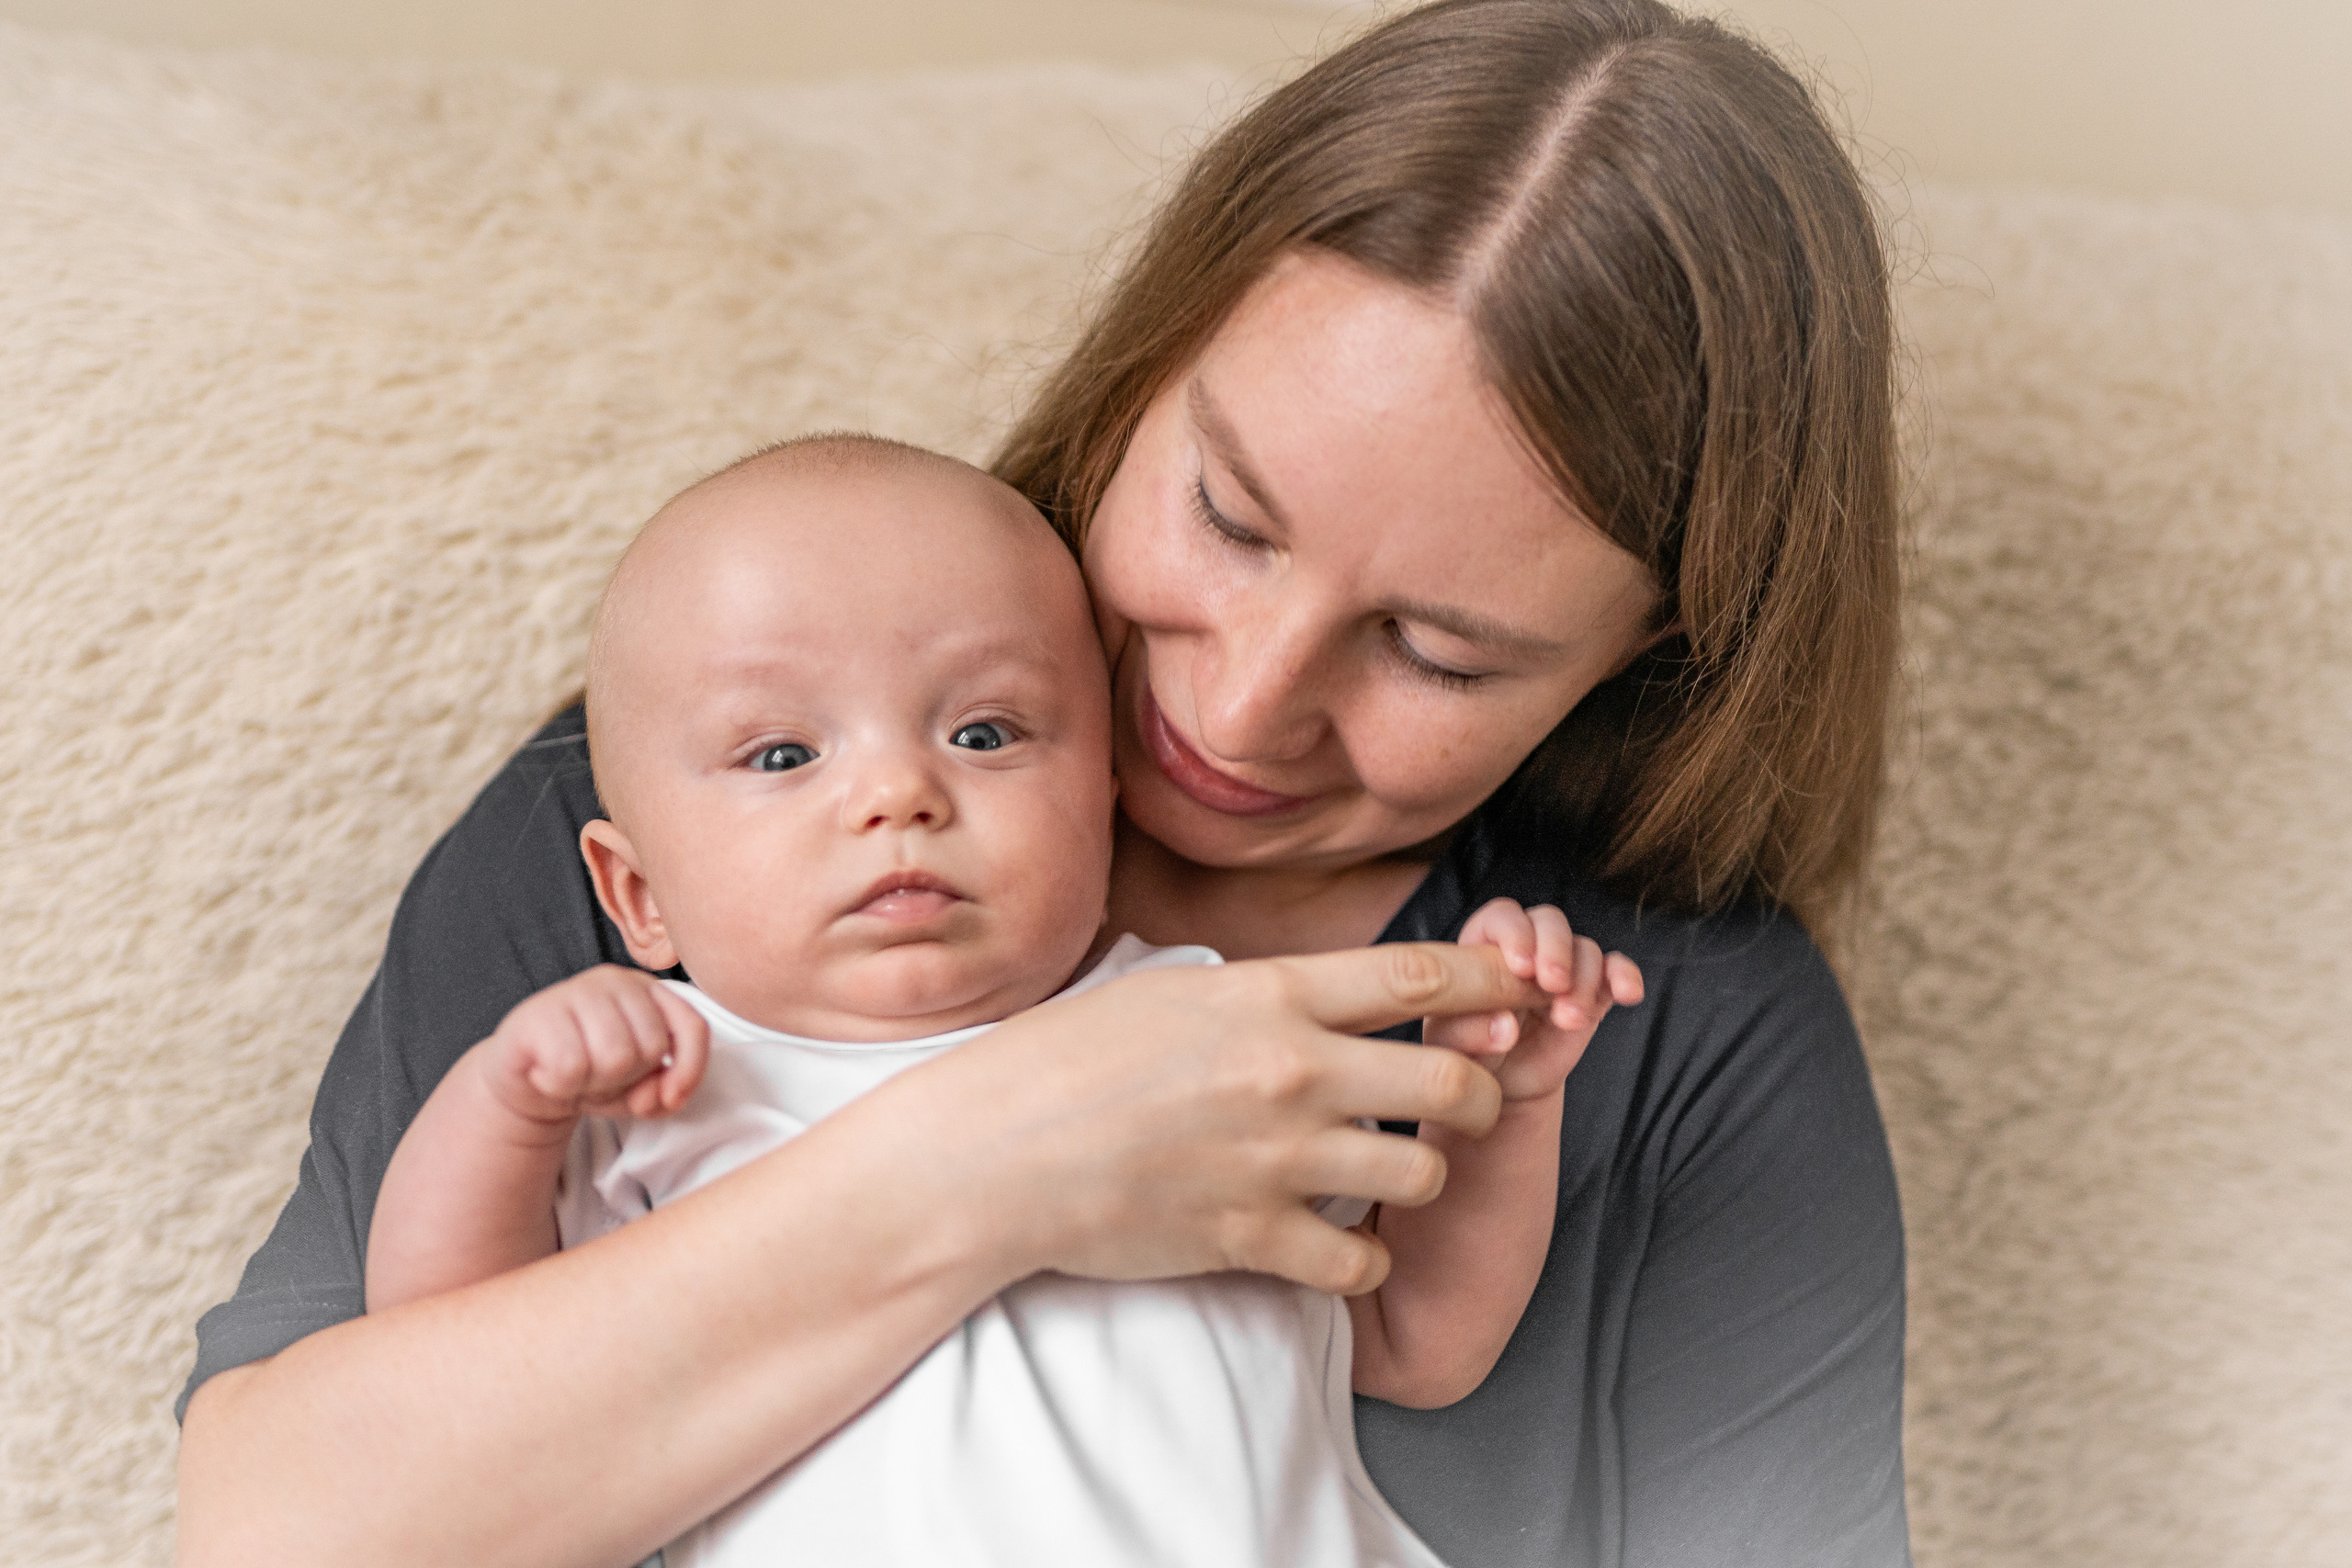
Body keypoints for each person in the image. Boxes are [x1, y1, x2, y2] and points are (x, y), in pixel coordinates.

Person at [175, 3, 1911, 1565]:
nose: (1241, 707)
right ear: (1141, 371)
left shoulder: (1662, 1030)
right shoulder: (715, 808)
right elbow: (274, 1535)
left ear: (1652, 655)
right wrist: (1001, 1160)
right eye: (1228, 518)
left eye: (1438, 653)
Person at [362, 434, 1644, 1565]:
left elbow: (1414, 1343)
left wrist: (1508, 1103)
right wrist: (506, 1107)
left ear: (1103, 807)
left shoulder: (1213, 1038)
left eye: (983, 734)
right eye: (784, 754)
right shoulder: (664, 1093)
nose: (897, 795)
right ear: (637, 897)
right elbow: (438, 1374)